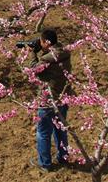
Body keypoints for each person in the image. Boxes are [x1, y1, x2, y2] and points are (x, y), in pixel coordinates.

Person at [31, 28, 72, 172]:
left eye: (41, 41)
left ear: (46, 42)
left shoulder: (46, 59)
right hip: (63, 96)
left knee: (43, 132)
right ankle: (63, 157)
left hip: (48, 100)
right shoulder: (65, 52)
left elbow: (33, 72)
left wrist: (32, 54)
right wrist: (44, 49)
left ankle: (45, 164)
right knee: (60, 129)